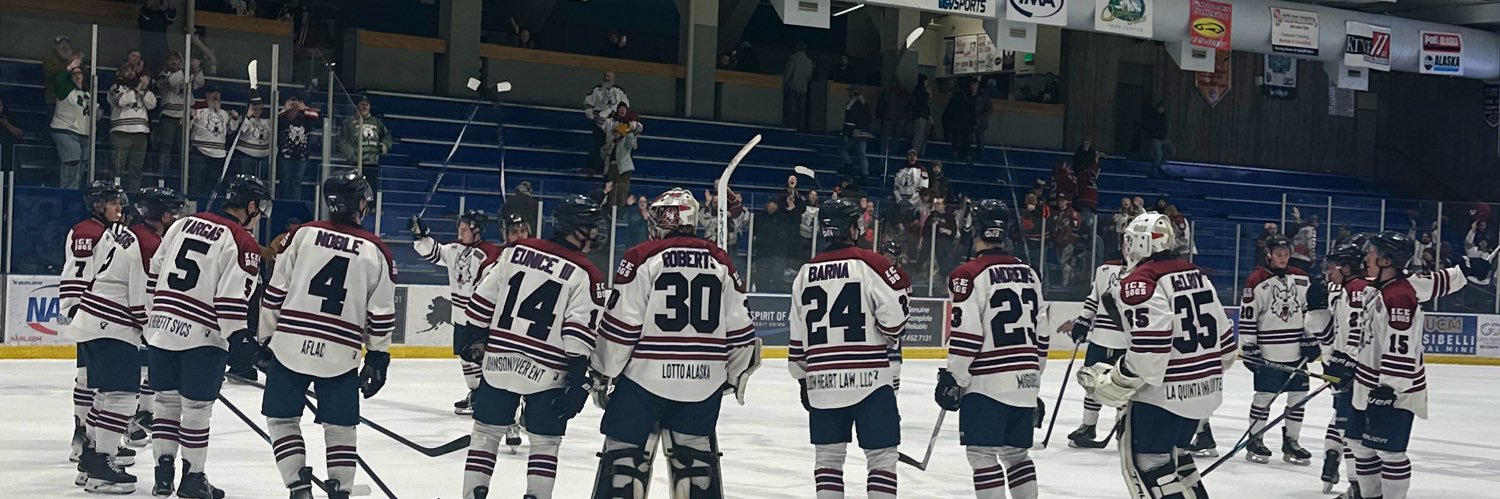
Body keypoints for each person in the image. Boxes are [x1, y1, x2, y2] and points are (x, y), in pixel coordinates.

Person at [589, 188, 760, 497]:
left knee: (623, 458)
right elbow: (742, 331)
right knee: (695, 463)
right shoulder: (720, 260)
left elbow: (621, 328)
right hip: (702, 383)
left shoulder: (642, 257)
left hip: (645, 380)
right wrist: (730, 377)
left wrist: (604, 372)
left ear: (663, 221)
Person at [254, 172, 394, 499]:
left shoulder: (302, 235)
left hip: (289, 345)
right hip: (340, 354)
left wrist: (264, 340)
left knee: (281, 420)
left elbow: (274, 293)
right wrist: (377, 357)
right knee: (341, 428)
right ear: (361, 204)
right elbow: (382, 314)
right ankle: (340, 489)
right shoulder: (377, 250)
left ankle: (298, 487)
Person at [458, 195, 607, 499]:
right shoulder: (585, 272)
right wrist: (579, 380)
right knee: (545, 444)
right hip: (548, 372)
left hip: (499, 363)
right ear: (572, 228)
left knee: (486, 436)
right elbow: (577, 335)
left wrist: (472, 339)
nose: (595, 233)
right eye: (589, 227)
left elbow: (480, 304)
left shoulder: (514, 252)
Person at [1079, 212, 1235, 499]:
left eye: (1129, 240)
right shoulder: (1194, 272)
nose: (1125, 247)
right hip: (1204, 391)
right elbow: (1226, 342)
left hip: (1163, 396)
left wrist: (1117, 379)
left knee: (1151, 465)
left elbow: (1150, 350)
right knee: (1180, 462)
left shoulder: (1141, 280)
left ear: (1140, 242)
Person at [143, 175, 270, 498]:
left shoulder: (183, 223)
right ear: (250, 205)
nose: (260, 216)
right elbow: (231, 299)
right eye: (260, 208)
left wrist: (153, 319)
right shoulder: (242, 241)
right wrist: (238, 338)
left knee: (165, 404)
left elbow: (154, 272)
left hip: (162, 329)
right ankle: (193, 477)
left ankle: (162, 477)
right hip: (202, 338)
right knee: (197, 410)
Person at [789, 197, 911, 499]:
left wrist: (804, 379)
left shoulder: (805, 273)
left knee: (828, 462)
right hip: (870, 381)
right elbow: (895, 325)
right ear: (854, 227)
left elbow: (797, 340)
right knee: (882, 459)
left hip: (822, 384)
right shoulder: (873, 264)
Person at [68, 187, 185, 494]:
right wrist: (155, 333)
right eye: (173, 211)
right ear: (159, 214)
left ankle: (91, 461)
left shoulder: (128, 233)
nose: (176, 217)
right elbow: (139, 300)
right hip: (112, 326)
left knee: (105, 397)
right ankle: (104, 467)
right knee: (120, 397)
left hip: (92, 321)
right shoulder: (149, 244)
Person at [935, 199, 1046, 499]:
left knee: (982, 456)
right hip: (1025, 380)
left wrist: (954, 378)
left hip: (986, 384)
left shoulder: (967, 274)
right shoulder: (1030, 273)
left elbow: (967, 335)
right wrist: (1033, 384)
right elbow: (1042, 337)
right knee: (1017, 455)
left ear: (976, 228)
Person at [1347, 232, 1424, 499]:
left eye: (1373, 252)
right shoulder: (1375, 289)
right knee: (1360, 446)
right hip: (1366, 383)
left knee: (1390, 452)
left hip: (1392, 389)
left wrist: (1390, 388)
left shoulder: (1400, 296)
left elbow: (1401, 347)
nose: (1366, 256)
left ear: (1387, 259)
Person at [60, 181, 130, 469]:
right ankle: (86, 440)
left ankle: (93, 439)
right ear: (99, 205)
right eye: (113, 202)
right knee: (90, 378)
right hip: (90, 312)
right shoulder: (90, 232)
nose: (119, 207)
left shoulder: (99, 230)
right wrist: (76, 307)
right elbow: (79, 274)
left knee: (92, 377)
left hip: (92, 312)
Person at [409, 210, 505, 415]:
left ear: (477, 230)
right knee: (465, 358)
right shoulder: (454, 249)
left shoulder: (491, 253)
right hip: (460, 318)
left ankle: (487, 398)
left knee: (480, 358)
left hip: (480, 319)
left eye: (464, 229)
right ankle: (476, 394)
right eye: (459, 229)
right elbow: (434, 252)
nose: (459, 233)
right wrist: (421, 235)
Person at [1239, 235, 1318, 465]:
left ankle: (1291, 441)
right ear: (1269, 255)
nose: (1283, 258)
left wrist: (1310, 339)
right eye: (1279, 254)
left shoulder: (1301, 278)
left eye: (1286, 254)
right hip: (1269, 351)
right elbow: (1248, 315)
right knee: (1264, 397)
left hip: (1295, 351)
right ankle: (1256, 438)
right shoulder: (1256, 280)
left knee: (1298, 397)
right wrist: (1249, 347)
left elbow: (1308, 311)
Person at [1064, 236, 1132, 449]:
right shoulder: (1104, 270)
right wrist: (1083, 322)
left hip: (1128, 342)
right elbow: (1093, 298)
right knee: (1092, 382)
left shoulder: (1146, 274)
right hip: (1101, 338)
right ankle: (1088, 426)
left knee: (1125, 386)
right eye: (1126, 243)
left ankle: (1124, 429)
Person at [154, 52, 204, 177]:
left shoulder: (187, 74)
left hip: (185, 116)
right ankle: (162, 177)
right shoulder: (163, 74)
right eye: (171, 59)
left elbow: (200, 83)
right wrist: (187, 68)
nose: (174, 62)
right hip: (168, 116)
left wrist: (196, 68)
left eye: (177, 59)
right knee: (166, 147)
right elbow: (172, 81)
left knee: (184, 148)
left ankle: (184, 177)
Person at [109, 66, 157, 191]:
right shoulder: (116, 87)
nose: (131, 73)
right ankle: (115, 197)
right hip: (121, 133)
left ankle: (133, 196)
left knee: (136, 169)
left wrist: (144, 89)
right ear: (120, 73)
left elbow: (152, 104)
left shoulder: (143, 90)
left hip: (140, 133)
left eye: (133, 71)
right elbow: (119, 101)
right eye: (127, 70)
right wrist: (136, 91)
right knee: (117, 168)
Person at [187, 85, 240, 195]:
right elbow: (185, 124)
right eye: (213, 93)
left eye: (218, 94)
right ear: (207, 95)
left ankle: (210, 210)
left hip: (218, 156)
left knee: (213, 186)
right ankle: (194, 208)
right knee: (197, 183)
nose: (216, 96)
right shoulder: (199, 111)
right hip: (200, 152)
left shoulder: (225, 114)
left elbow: (232, 130)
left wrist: (235, 118)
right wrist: (190, 115)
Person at [51, 65, 95, 189]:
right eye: (74, 73)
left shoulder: (87, 94)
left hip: (84, 134)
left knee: (82, 163)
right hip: (66, 130)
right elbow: (59, 79)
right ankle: (66, 193)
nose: (77, 75)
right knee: (72, 161)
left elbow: (96, 113)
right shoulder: (66, 90)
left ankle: (73, 191)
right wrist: (69, 67)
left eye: (79, 73)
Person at [583, 72, 630, 176]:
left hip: (614, 123)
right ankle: (595, 168)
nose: (607, 78)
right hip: (599, 122)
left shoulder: (619, 91)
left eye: (609, 77)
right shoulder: (596, 90)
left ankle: (609, 172)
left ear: (613, 78)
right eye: (606, 76)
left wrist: (621, 119)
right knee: (597, 146)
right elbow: (587, 105)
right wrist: (593, 117)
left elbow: (625, 106)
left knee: (614, 146)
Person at [339, 97, 391, 189]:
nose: (364, 107)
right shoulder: (349, 122)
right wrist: (350, 153)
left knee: (370, 191)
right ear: (357, 106)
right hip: (355, 164)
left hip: (372, 164)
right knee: (354, 190)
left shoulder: (377, 122)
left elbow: (387, 136)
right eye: (362, 104)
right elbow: (341, 140)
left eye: (366, 105)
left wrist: (385, 145)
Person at [277, 95, 319, 199]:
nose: (294, 105)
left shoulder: (306, 118)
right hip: (285, 155)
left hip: (302, 156)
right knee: (285, 182)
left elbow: (316, 116)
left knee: (296, 183)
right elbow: (275, 118)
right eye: (292, 102)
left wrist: (304, 108)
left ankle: (294, 204)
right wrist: (286, 109)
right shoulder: (283, 117)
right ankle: (284, 204)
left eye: (296, 102)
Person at [603, 103, 640, 207]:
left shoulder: (625, 140)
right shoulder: (611, 142)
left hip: (622, 169)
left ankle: (621, 212)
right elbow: (604, 154)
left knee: (622, 192)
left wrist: (630, 131)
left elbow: (631, 144)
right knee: (610, 193)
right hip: (612, 168)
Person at [233, 95, 272, 179]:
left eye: (260, 109)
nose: (258, 112)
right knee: (246, 181)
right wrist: (247, 115)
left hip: (263, 157)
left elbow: (278, 118)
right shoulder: (243, 119)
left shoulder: (266, 121)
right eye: (255, 109)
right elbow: (241, 130)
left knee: (260, 183)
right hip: (246, 156)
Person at [782, 41, 815, 131]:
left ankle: (790, 125)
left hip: (792, 86)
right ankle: (800, 126)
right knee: (801, 109)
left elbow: (788, 72)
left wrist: (784, 83)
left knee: (790, 107)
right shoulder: (809, 61)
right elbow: (809, 76)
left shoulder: (792, 58)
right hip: (803, 88)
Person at [841, 87, 872, 179]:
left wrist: (845, 133)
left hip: (853, 132)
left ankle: (849, 165)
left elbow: (848, 120)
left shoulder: (851, 105)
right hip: (863, 133)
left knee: (843, 149)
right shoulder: (864, 106)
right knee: (862, 154)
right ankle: (864, 173)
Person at [43, 35, 81, 104]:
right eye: (61, 44)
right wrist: (69, 64)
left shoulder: (73, 60)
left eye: (66, 43)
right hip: (54, 99)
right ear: (56, 46)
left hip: (71, 100)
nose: (65, 46)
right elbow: (50, 72)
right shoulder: (49, 58)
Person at [943, 81, 975, 161]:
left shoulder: (956, 97)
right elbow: (972, 111)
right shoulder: (969, 97)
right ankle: (965, 154)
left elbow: (949, 111)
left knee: (957, 138)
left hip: (957, 121)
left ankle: (956, 152)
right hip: (965, 121)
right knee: (965, 139)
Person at [1142, 103, 1174, 177]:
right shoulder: (1152, 117)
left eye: (1162, 108)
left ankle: (1160, 165)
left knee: (1172, 151)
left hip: (1163, 138)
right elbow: (1148, 127)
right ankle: (1154, 171)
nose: (1161, 109)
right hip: (1155, 139)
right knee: (1158, 156)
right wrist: (1154, 134)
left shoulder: (1164, 117)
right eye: (1160, 108)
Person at [971, 80, 995, 161]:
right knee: (967, 140)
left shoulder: (984, 96)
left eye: (975, 85)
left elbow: (990, 109)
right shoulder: (967, 95)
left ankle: (980, 157)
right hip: (969, 121)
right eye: (972, 85)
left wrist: (980, 119)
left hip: (980, 123)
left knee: (980, 142)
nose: (973, 87)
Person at [910, 74, 932, 156]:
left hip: (919, 115)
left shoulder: (917, 91)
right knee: (919, 135)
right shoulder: (921, 92)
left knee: (921, 135)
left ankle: (917, 152)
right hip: (920, 115)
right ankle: (916, 153)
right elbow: (923, 104)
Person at [0, 95, 22, 167]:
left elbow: (20, 134)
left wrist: (6, 124)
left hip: (7, 154)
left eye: (0, 105)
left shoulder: (10, 117)